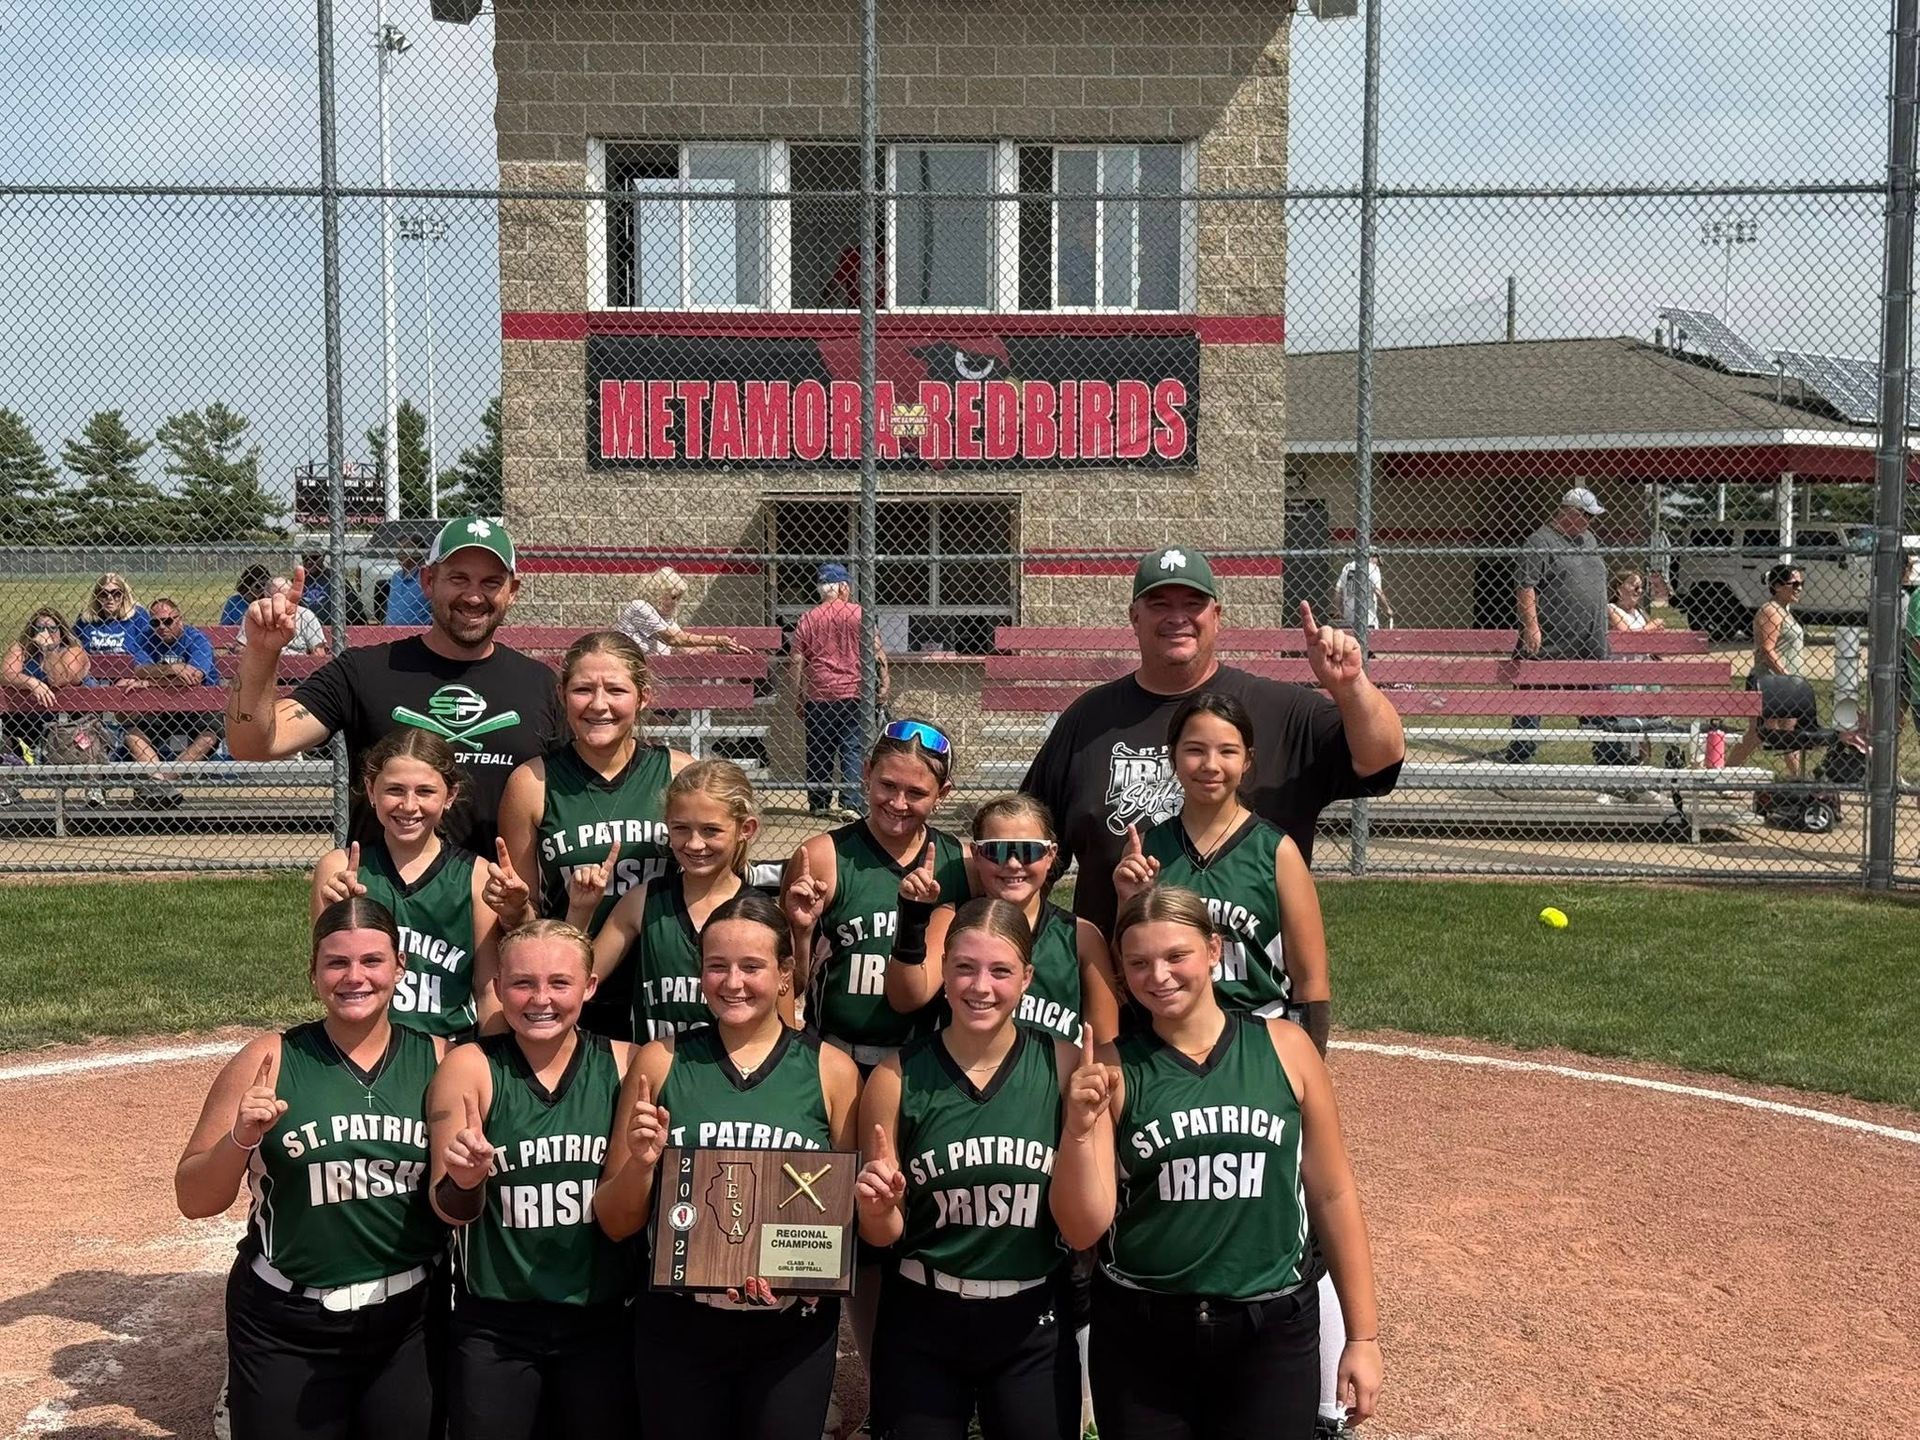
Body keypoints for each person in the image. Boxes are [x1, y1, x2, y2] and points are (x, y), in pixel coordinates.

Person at [1077, 885, 1382, 1439]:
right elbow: (1084, 1227)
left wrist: (1363, 1337)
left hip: (1270, 1330)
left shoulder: (1286, 1048)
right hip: (1144, 1331)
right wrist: (1077, 1129)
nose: (1159, 975)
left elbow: (1332, 1194)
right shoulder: (1112, 1071)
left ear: (1214, 950)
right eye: (1139, 963)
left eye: (1177, 956)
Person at [1019, 546, 1404, 934]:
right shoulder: (1089, 720)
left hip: (1253, 985)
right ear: (1135, 617)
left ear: (1216, 617)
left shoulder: (1281, 711)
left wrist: (1351, 686)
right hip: (1117, 977)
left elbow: (1381, 761)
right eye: (1159, 604)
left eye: (1193, 603)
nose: (1177, 617)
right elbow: (1026, 842)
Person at [175, 897, 446, 1440]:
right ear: (314, 973)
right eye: (336, 963)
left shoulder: (440, 1059)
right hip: (285, 1322)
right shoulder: (269, 1058)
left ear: (400, 968)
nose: (355, 977)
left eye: (372, 961)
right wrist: (240, 1139)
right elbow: (194, 1197)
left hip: (407, 1322)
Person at [595, 891, 862, 1439]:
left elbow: (847, 1219)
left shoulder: (830, 1070)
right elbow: (616, 1220)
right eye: (717, 965)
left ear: (786, 972)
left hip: (791, 1331)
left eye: (752, 966)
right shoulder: (661, 1060)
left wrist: (816, 1271)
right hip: (680, 1324)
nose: (732, 982)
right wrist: (643, 1166)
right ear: (698, 973)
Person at [855, 898, 1112, 1440]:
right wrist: (877, 1209)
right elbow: (884, 1235)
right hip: (922, 1313)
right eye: (964, 967)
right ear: (943, 970)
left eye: (1000, 970)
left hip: (1031, 1316)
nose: (980, 986)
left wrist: (1081, 1130)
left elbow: (1085, 1228)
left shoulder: (1067, 1066)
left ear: (1027, 978)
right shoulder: (896, 1077)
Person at [226, 517, 565, 854]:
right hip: (383, 900)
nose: (474, 597)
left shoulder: (540, 686)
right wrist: (261, 651)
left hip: (498, 899)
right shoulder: (365, 671)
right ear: (428, 581)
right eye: (459, 578)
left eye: (491, 582)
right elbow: (252, 743)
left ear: (513, 592)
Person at [427, 920, 637, 1440]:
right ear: (497, 989)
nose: (540, 998)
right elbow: (447, 1208)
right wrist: (466, 1179)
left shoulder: (625, 1062)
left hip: (602, 1319)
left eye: (559, 983)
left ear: (590, 986)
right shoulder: (470, 1067)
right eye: (522, 983)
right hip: (495, 1325)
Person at [491, 630, 693, 1039]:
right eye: (583, 689)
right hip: (570, 996)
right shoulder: (532, 782)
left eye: (616, 689)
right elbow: (525, 922)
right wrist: (514, 909)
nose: (599, 704)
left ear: (643, 697)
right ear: (563, 695)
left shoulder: (679, 774)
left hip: (666, 987)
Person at [1112, 692, 1329, 1045]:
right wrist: (1128, 902)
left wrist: (1307, 1064)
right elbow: (1125, 967)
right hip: (1169, 1036)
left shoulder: (1276, 851)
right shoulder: (1148, 850)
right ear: (1173, 757)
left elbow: (1311, 980)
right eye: (1195, 750)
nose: (1210, 765)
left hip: (1257, 1035)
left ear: (1247, 760)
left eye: (1227, 751)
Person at [783, 719, 972, 1069]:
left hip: (925, 1062)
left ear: (942, 794)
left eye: (916, 793)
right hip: (836, 1057)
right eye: (887, 785)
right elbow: (788, 986)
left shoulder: (959, 864)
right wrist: (801, 931)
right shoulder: (824, 857)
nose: (898, 803)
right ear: (867, 772)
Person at [312, 728, 502, 1037]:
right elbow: (326, 976)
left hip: (449, 1046)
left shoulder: (476, 875)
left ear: (450, 796)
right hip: (366, 1046)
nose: (409, 805)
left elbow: (488, 990)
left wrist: (495, 1070)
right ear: (371, 791)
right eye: (395, 790)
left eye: (425, 791)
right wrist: (338, 915)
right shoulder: (340, 868)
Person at [887, 792, 1113, 1049]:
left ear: (1050, 855)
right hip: (961, 1083)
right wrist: (913, 916)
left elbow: (1106, 1045)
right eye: (997, 851)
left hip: (1054, 1085)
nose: (1014, 863)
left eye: (1029, 851)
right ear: (976, 854)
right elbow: (905, 999)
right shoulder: (953, 919)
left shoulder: (1079, 936)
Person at [576, 758, 774, 1041]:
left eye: (710, 830)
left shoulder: (762, 915)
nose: (694, 843)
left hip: (731, 1077)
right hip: (657, 1073)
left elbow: (782, 1025)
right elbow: (576, 981)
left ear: (746, 829)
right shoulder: (643, 901)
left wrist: (802, 934)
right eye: (681, 828)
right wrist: (579, 912)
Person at [1501, 487, 1611, 764]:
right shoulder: (1540, 541)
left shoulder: (1589, 539)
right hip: (1551, 639)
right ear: (1569, 513)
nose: (1590, 522)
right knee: (1531, 700)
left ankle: (1609, 758)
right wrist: (1531, 627)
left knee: (1597, 700)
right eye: (1586, 516)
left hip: (1591, 640)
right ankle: (1520, 758)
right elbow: (1526, 586)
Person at [790, 562, 890, 818]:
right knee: (852, 748)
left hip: (820, 693)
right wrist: (885, 679)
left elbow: (797, 660)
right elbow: (876, 650)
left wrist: (799, 694)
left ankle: (819, 802)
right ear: (844, 588)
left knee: (819, 748)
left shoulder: (808, 618)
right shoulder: (859, 614)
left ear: (822, 590)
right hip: (855, 693)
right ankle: (851, 803)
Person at [117, 596, 223, 807]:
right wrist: (173, 669)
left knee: (211, 735)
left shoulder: (196, 639)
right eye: (156, 622)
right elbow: (140, 669)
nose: (162, 627)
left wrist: (150, 682)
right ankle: (162, 786)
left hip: (196, 704)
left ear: (179, 619)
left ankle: (162, 783)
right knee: (133, 734)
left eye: (168, 621)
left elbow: (195, 677)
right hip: (158, 706)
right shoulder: (146, 639)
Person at [1728, 564, 1811, 776]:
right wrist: (1787, 677)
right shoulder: (1770, 611)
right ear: (1776, 585)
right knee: (1759, 733)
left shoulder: (1785, 611)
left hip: (1787, 684)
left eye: (1801, 583)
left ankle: (1799, 780)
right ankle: (1725, 774)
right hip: (1769, 682)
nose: (1799, 588)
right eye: (1794, 584)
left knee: (1789, 732)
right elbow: (1767, 649)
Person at [617, 566, 752, 656]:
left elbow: (685, 649)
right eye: (673, 597)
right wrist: (718, 639)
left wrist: (720, 648)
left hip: (659, 676)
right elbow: (674, 639)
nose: (675, 602)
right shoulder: (639, 607)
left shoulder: (667, 621)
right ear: (658, 593)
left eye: (678, 598)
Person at [232, 575, 331, 657]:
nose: (284, 603)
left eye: (288, 598)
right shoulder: (256, 614)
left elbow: (319, 652)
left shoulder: (306, 615)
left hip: (299, 674)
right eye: (278, 598)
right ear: (266, 597)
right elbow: (240, 648)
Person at [74, 571, 151, 655]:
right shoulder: (86, 618)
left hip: (130, 666)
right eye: (103, 594)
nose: (110, 598)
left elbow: (147, 651)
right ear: (97, 596)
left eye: (116, 593)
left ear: (124, 595)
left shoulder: (138, 616)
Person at [1332, 556, 1392, 632]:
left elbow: (1338, 590)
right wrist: (1387, 608)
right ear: (1372, 556)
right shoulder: (1372, 568)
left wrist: (1337, 609)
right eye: (1377, 561)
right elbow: (1378, 591)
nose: (1377, 564)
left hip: (1349, 619)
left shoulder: (1348, 567)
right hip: (1368, 620)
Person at [386, 550, 433, 627]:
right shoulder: (396, 576)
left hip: (418, 633)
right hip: (390, 633)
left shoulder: (426, 577)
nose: (398, 554)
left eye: (404, 550)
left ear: (417, 552)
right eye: (398, 549)